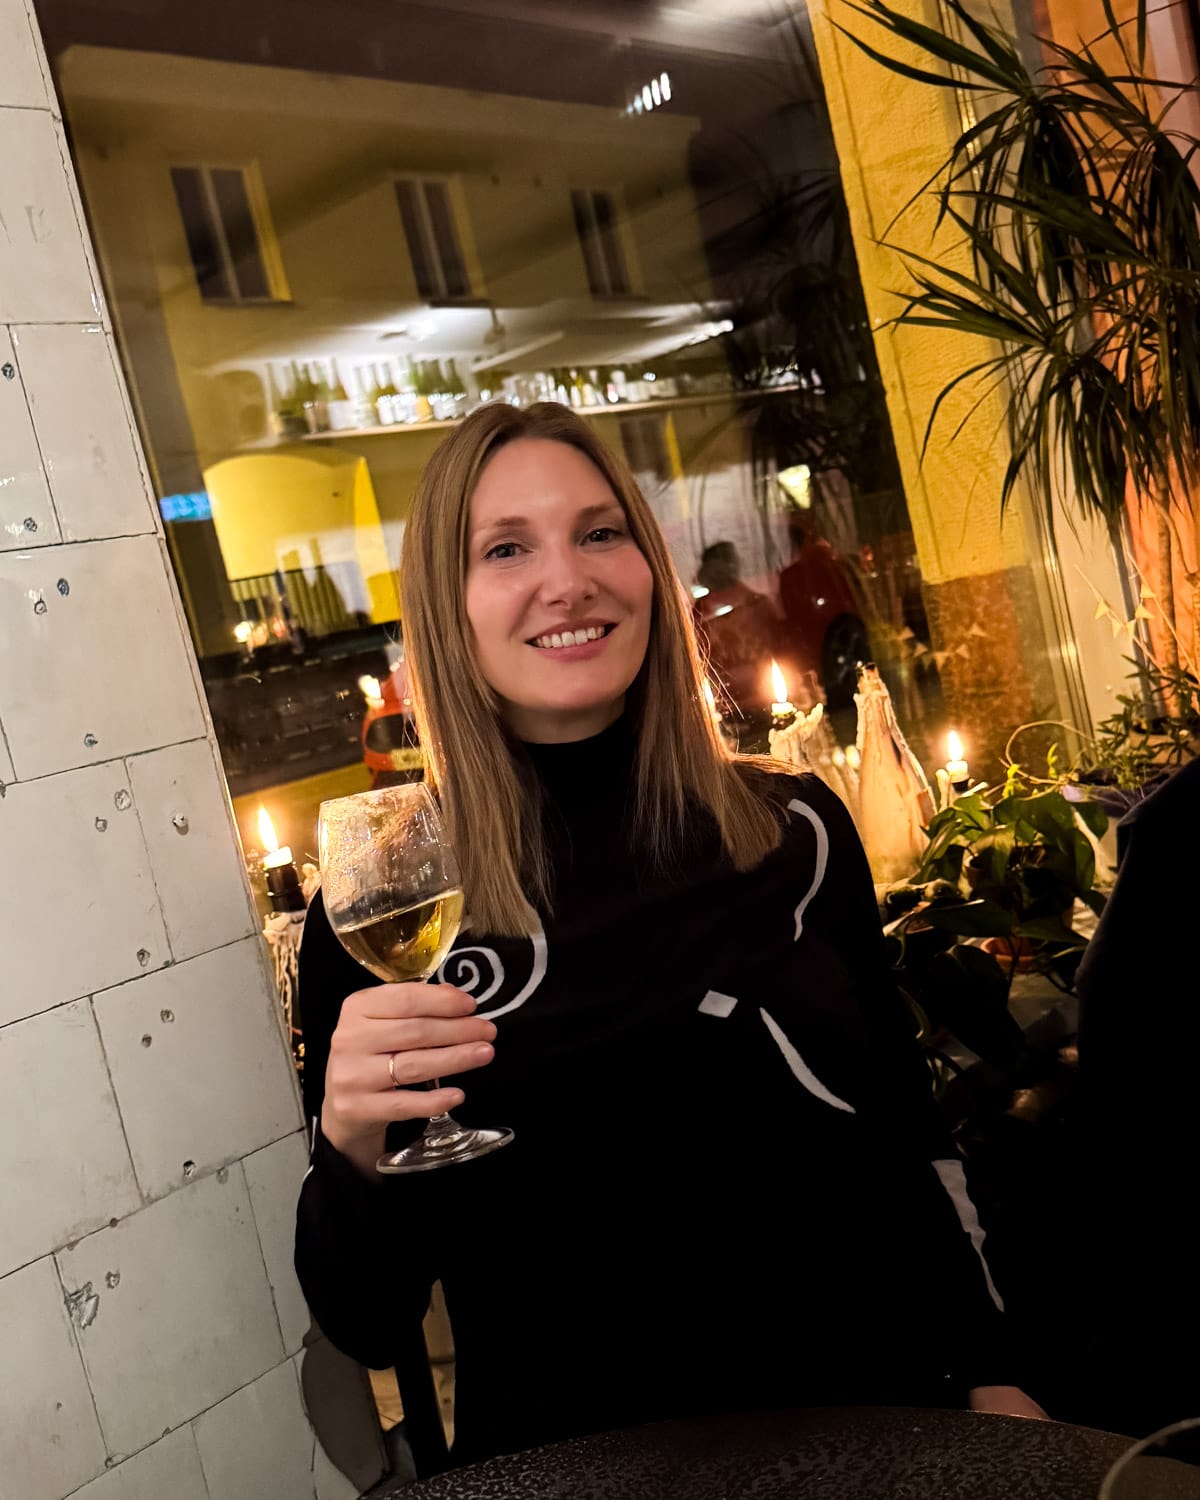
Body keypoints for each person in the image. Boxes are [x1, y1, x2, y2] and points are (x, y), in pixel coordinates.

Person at [294, 402, 1043, 1468]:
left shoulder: (796, 832)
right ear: (446, 610)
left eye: (601, 533)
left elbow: (901, 1145)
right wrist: (352, 1151)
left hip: (874, 1431)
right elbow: (368, 1321)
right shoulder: (387, 910)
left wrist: (991, 1370)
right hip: (581, 1470)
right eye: (506, 549)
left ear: (649, 568)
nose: (569, 580)